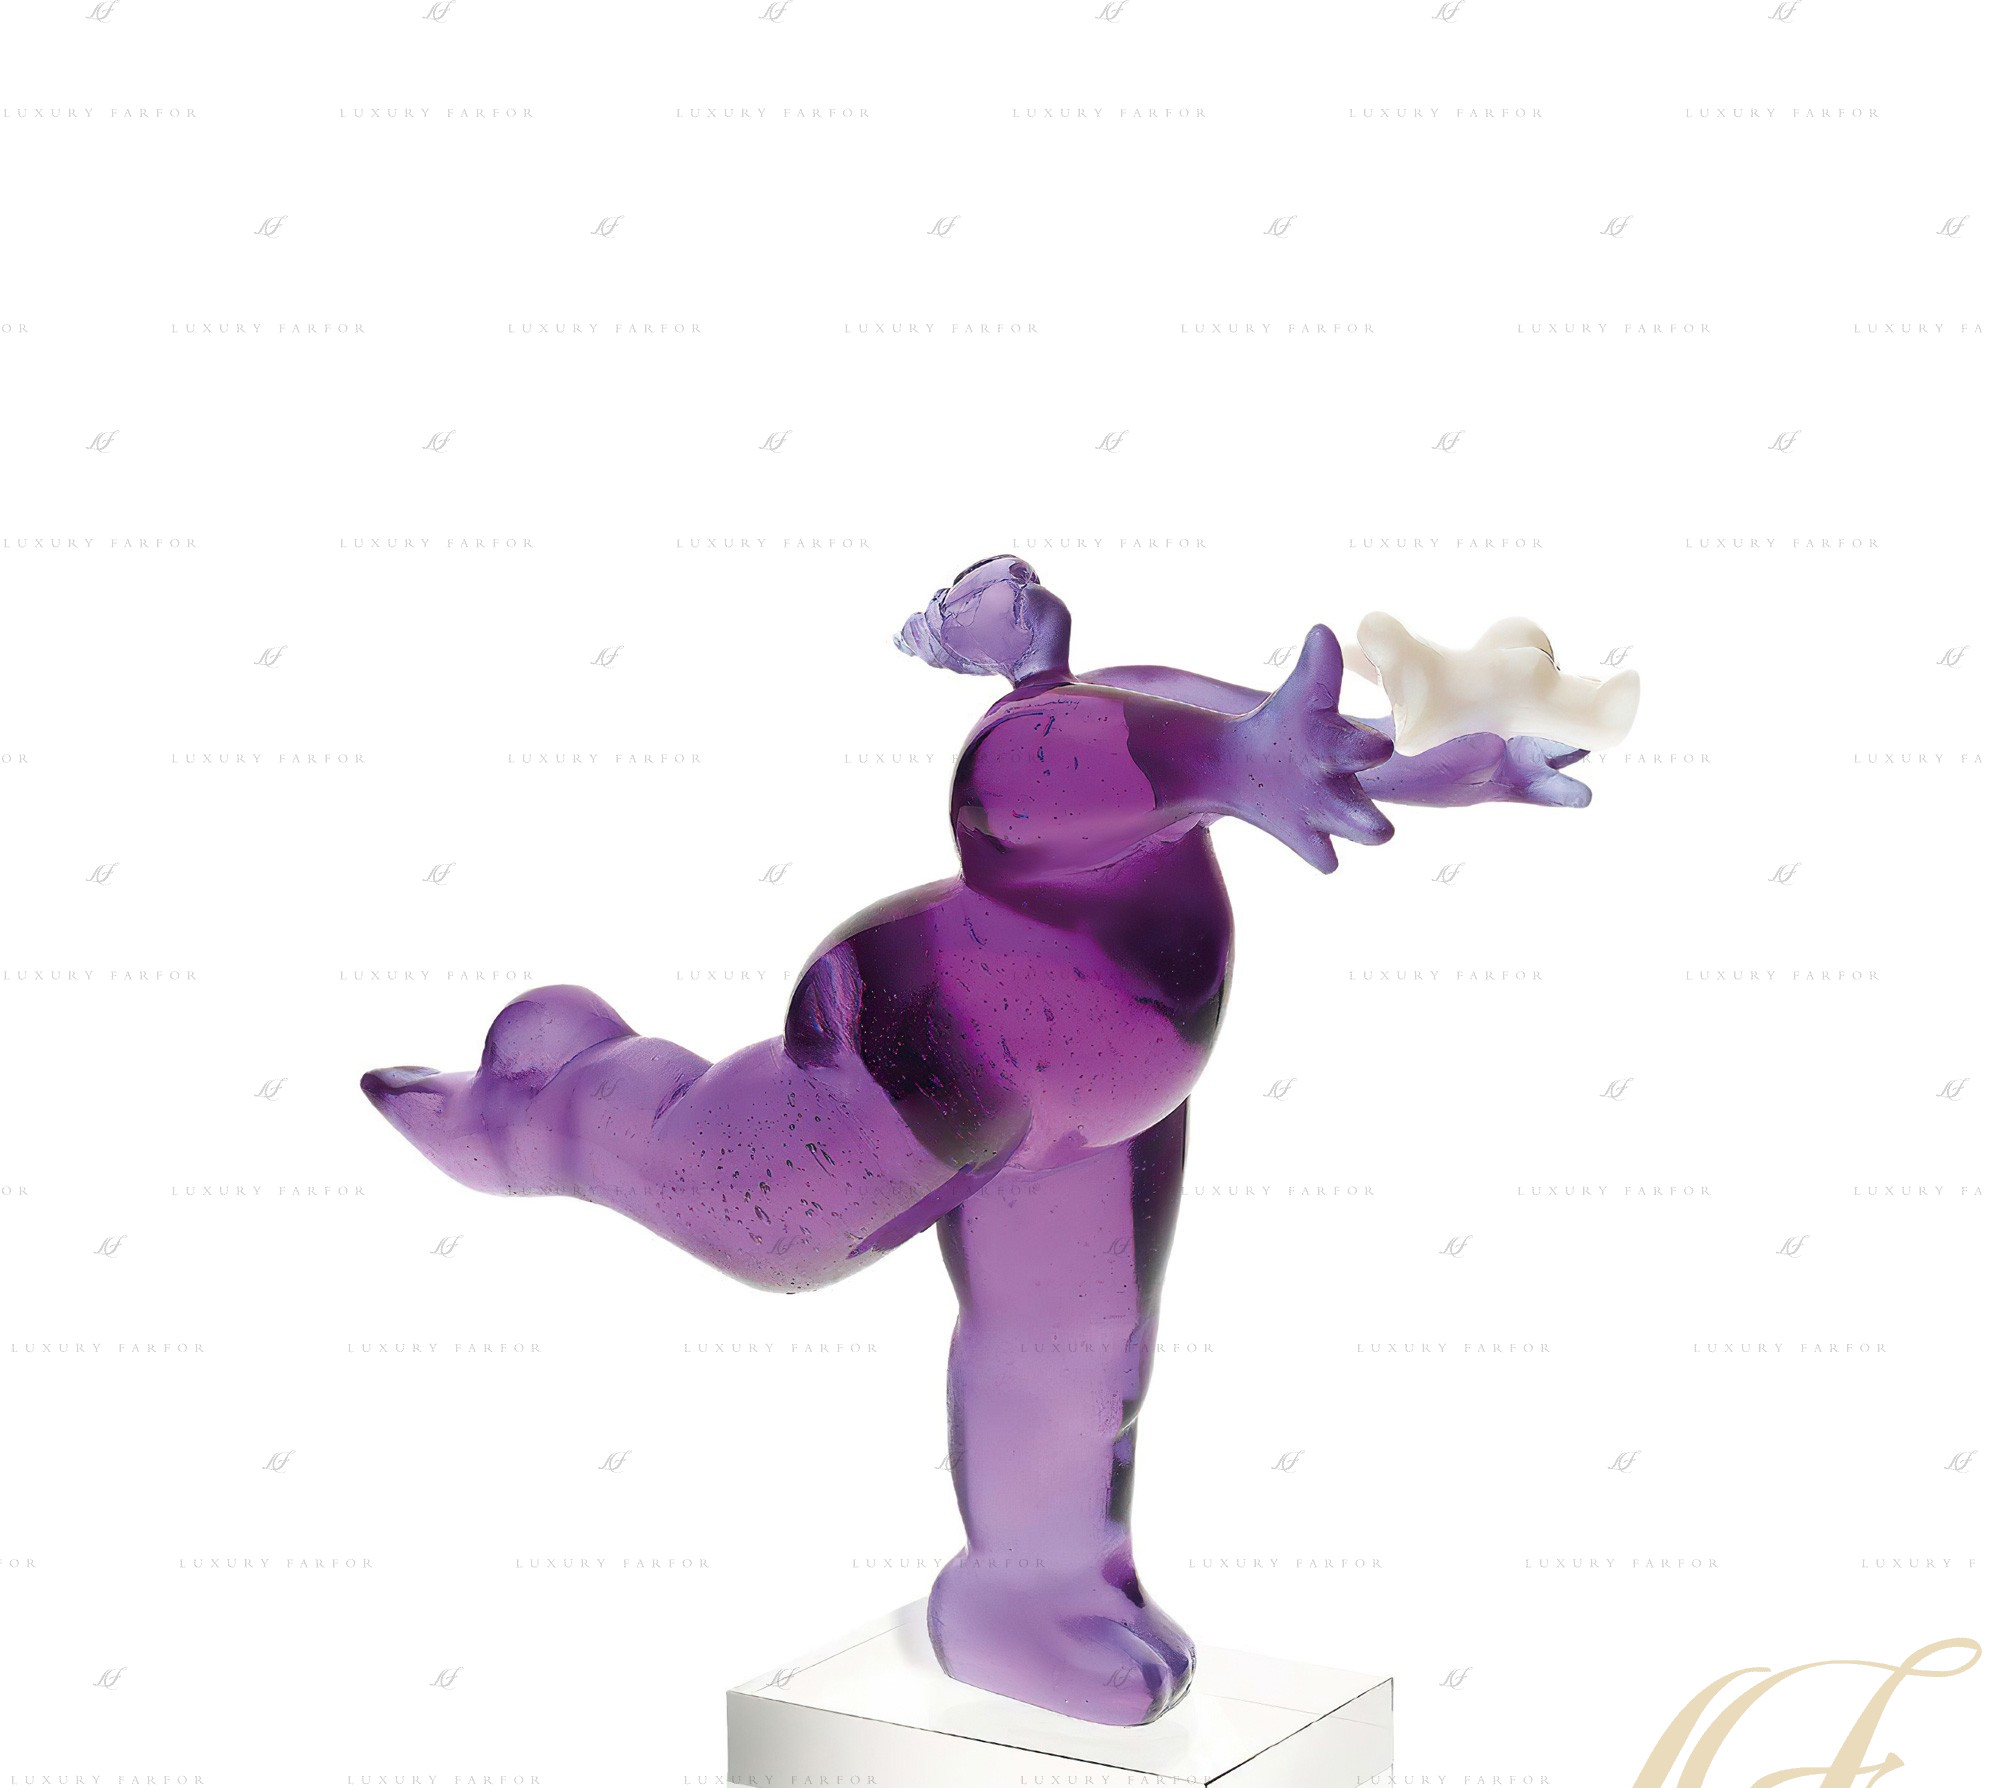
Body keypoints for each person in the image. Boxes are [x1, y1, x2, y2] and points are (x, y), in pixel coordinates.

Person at [362, 555, 1597, 1724]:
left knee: (1081, 1349)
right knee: (751, 1220)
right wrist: (1245, 761)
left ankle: (1033, 1592)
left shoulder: (1136, 697)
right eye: (993, 598)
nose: (1018, 605)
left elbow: (1301, 745)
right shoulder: (1032, 742)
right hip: (921, 1062)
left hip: (1097, 1098)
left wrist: (1463, 764)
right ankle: (535, 1106)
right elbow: (1145, 772)